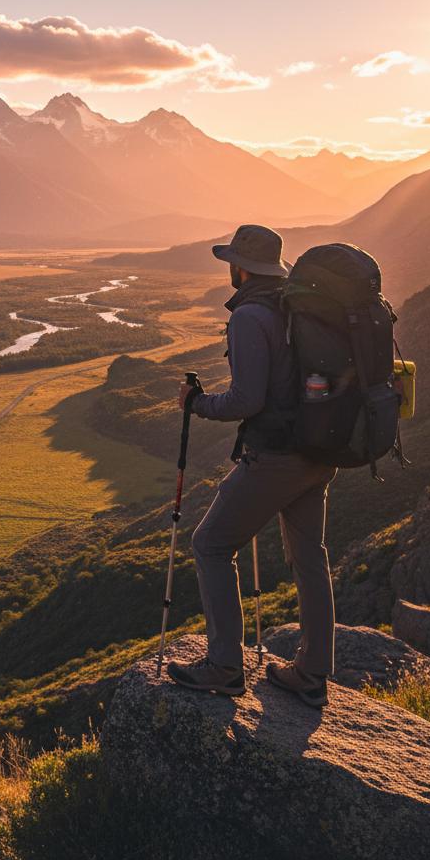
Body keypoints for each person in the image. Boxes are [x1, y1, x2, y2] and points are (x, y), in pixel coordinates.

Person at [166, 224, 337, 708]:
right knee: (309, 557)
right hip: (320, 451)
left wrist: (196, 403)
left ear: (241, 268)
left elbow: (247, 400)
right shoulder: (297, 306)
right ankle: (312, 673)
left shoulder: (250, 316)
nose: (230, 270)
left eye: (232, 263)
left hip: (277, 456)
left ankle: (224, 667)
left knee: (211, 545)